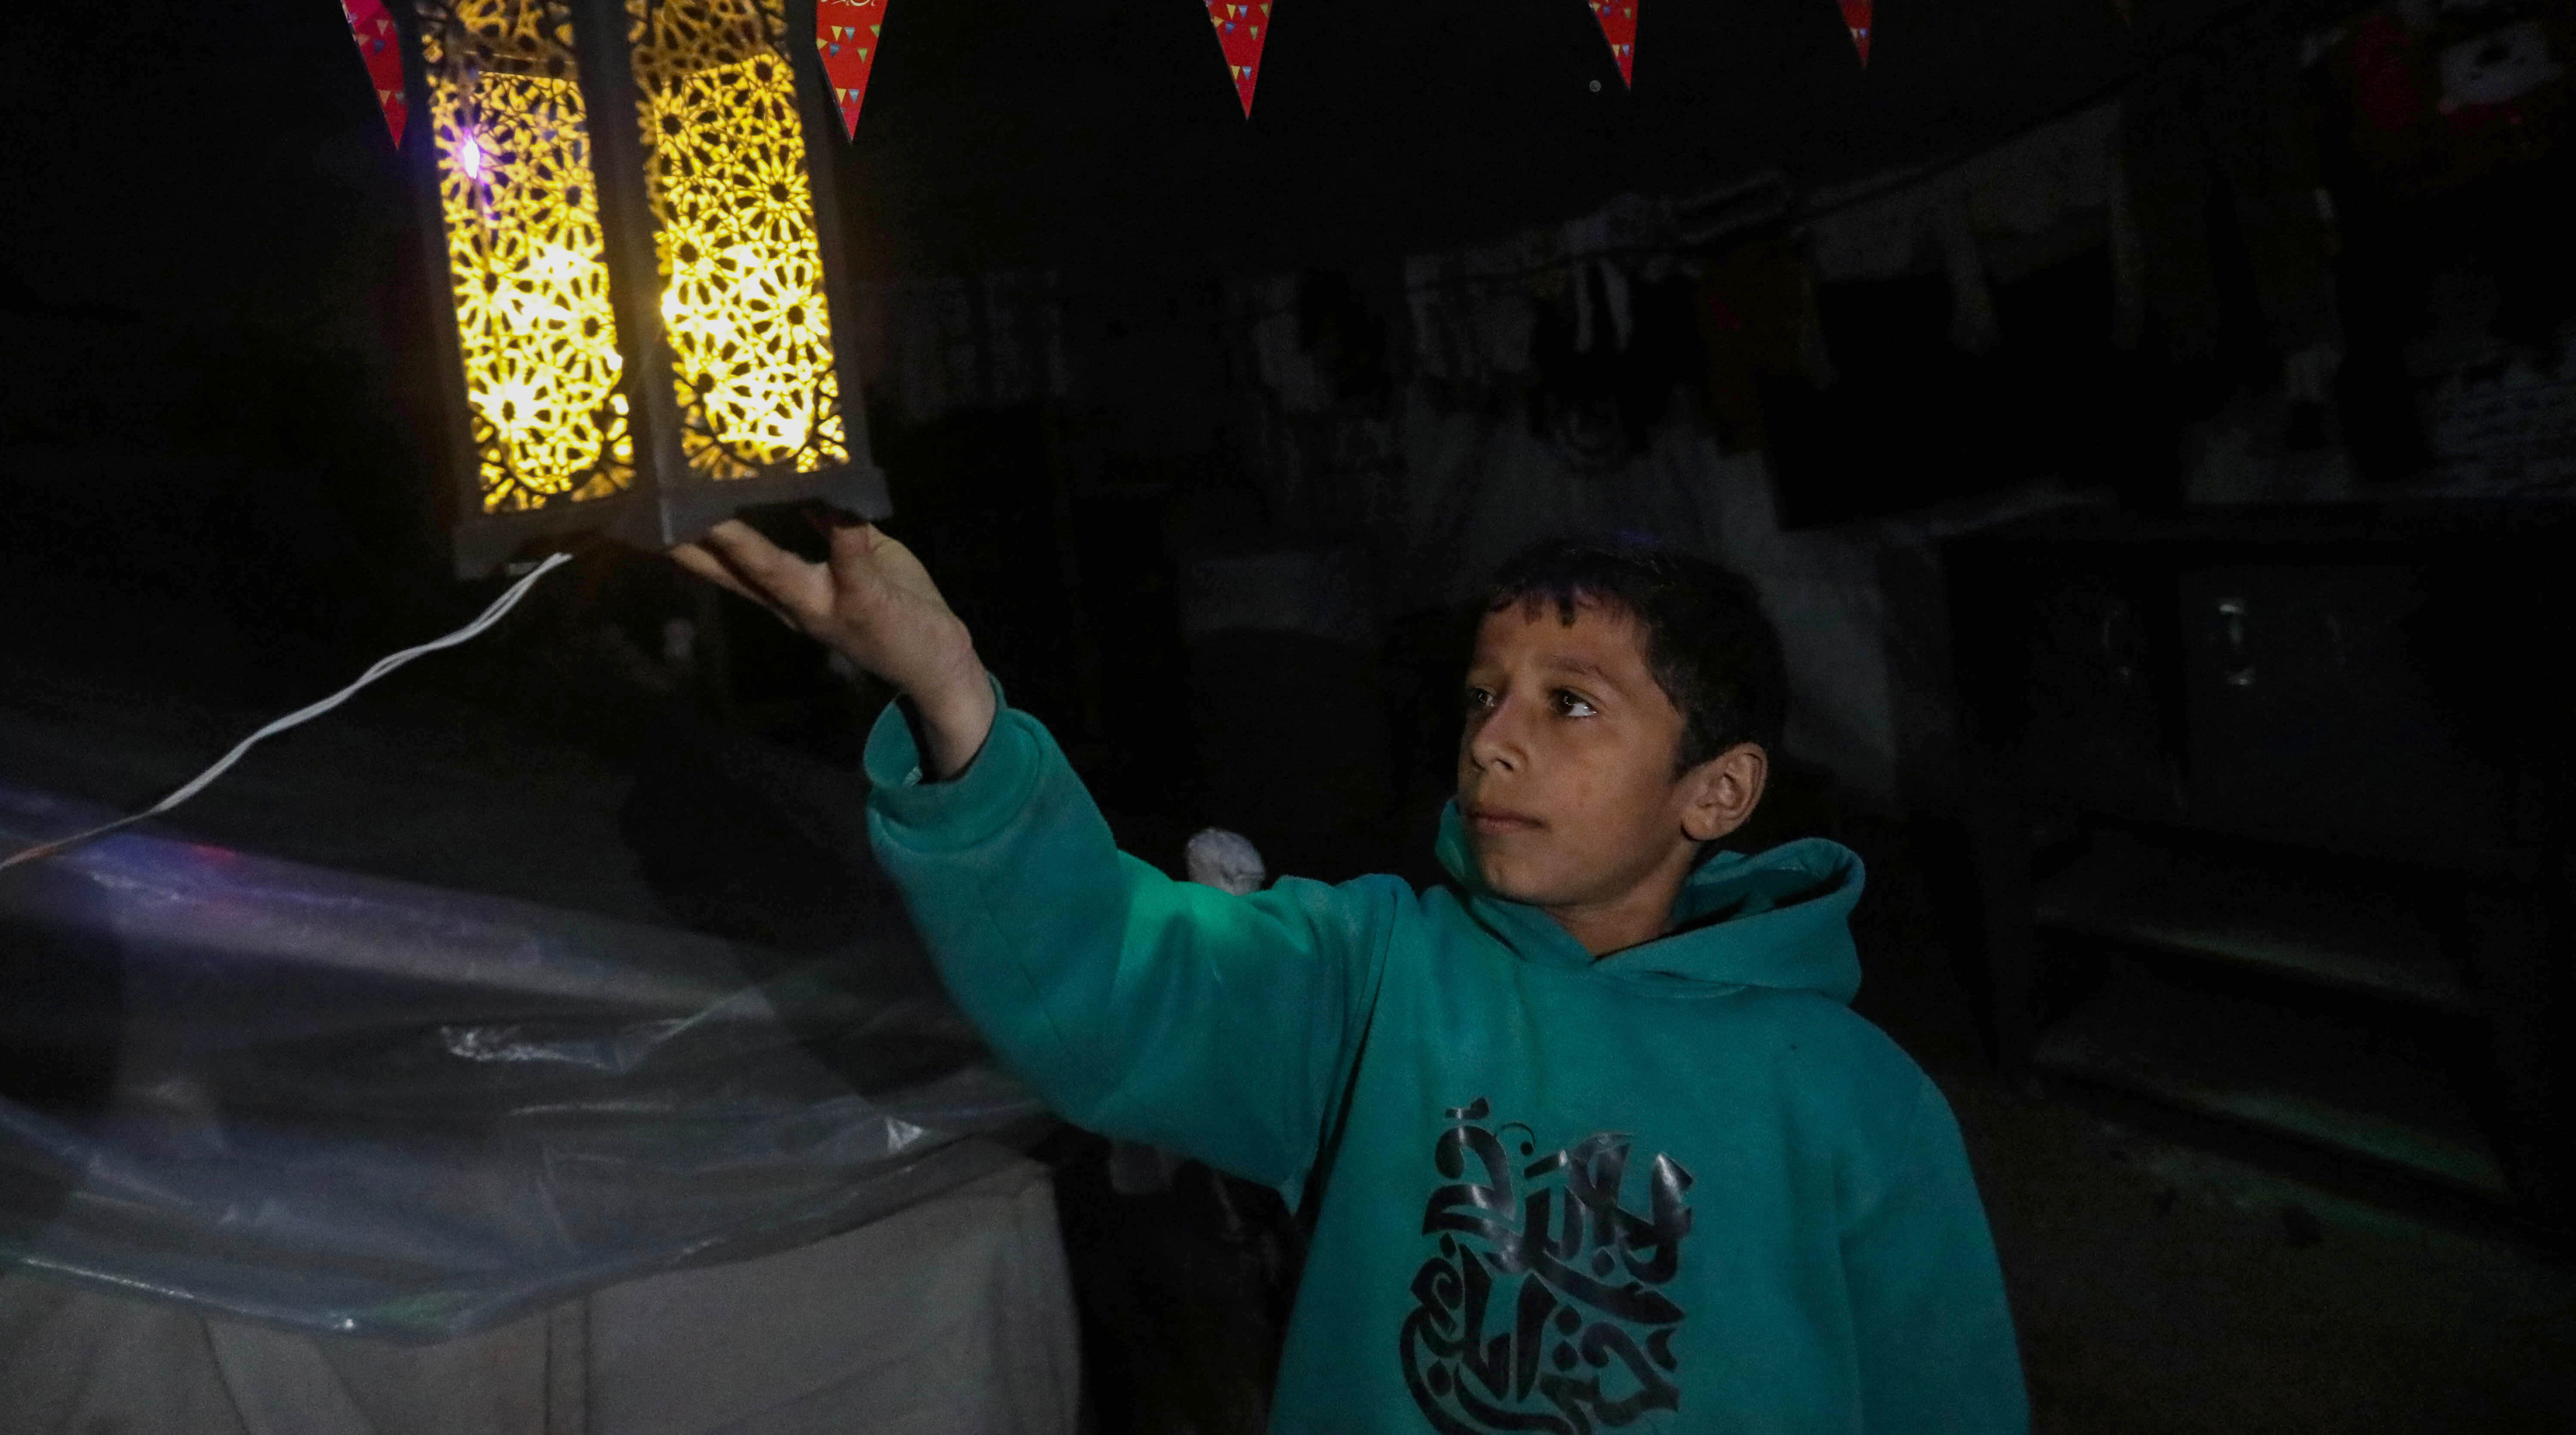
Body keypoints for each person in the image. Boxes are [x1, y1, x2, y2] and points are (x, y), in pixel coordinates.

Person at [673, 519, 2028, 1434]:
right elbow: (1112, 960)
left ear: (1718, 793)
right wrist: (957, 698)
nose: (1494, 741)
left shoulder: (1859, 1098)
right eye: (1483, 695)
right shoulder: (1373, 971)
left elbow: (1947, 1400)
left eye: (1571, 703)